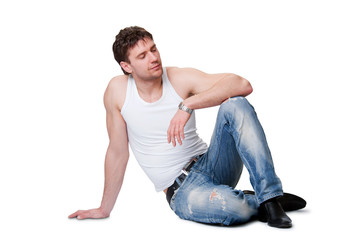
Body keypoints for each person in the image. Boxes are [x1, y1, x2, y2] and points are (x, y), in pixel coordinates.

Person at [69, 26, 306, 228]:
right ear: (126, 66)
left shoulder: (179, 77)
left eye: (153, 49)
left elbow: (241, 84)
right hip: (182, 190)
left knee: (236, 104)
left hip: (212, 163)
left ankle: (270, 197)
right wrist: (104, 208)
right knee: (236, 210)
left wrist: (188, 104)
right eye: (142, 56)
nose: (153, 58)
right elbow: (117, 152)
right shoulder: (117, 91)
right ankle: (258, 201)